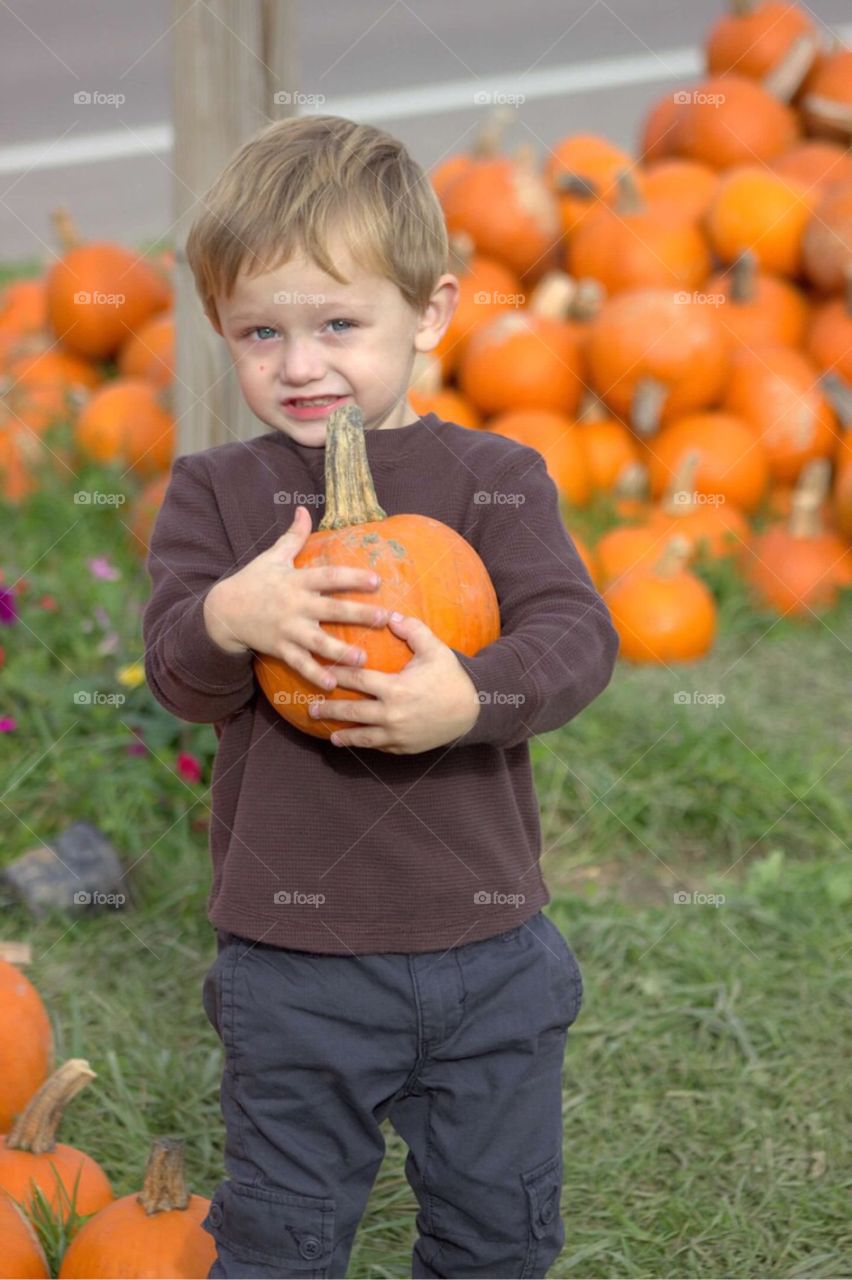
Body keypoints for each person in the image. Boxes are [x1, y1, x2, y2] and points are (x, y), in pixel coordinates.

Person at [142, 113, 619, 1279]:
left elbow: (578, 633)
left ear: (434, 313)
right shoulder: (216, 494)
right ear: (221, 331)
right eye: (262, 332)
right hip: (293, 960)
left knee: (497, 1229)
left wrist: (472, 696)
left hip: (489, 944)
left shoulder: (495, 482)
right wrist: (226, 621)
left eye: (339, 324)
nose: (301, 365)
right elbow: (172, 668)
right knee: (281, 1235)